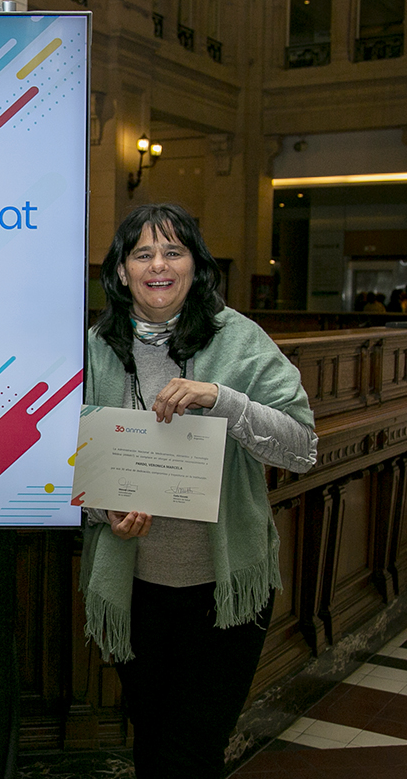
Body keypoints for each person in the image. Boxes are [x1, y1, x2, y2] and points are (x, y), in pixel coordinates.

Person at [80, 203, 317, 779]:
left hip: (225, 588)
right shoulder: (92, 347)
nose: (158, 265)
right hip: (134, 588)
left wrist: (223, 400)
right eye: (142, 254)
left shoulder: (239, 339)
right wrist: (102, 508)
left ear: (196, 265)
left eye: (173, 251)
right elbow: (68, 460)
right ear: (119, 272)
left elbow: (302, 449)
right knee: (154, 739)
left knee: (193, 750)